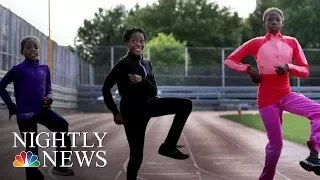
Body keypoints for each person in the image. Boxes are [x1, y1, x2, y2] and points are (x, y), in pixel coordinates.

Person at [224, 7, 320, 179]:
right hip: (267, 99)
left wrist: (288, 67)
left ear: (283, 23)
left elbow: (305, 70)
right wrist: (248, 69)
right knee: (276, 144)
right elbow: (229, 60)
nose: (274, 22)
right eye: (270, 20)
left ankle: (314, 156)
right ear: (265, 23)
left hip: (287, 94)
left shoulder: (292, 42)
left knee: (318, 111)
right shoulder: (256, 43)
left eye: (277, 20)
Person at [102, 26, 193, 180]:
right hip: (132, 112)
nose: (139, 44)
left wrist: (142, 80)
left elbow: (154, 91)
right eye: (134, 41)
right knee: (137, 155)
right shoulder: (122, 64)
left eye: (142, 41)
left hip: (149, 105)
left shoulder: (147, 63)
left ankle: (168, 146)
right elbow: (105, 88)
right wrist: (115, 112)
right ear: (126, 43)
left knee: (186, 104)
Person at [0, 36, 75, 180]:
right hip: (24, 114)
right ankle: (32, 176)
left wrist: (49, 99)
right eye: (29, 47)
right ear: (22, 51)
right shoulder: (18, 70)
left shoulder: (44, 69)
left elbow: (49, 90)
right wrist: (11, 106)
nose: (33, 50)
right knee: (32, 147)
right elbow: (1, 87)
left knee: (62, 125)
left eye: (36, 47)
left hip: (42, 110)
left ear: (39, 51)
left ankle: (60, 165)